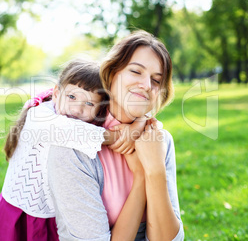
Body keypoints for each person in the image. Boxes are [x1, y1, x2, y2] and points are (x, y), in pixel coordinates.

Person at [0, 59, 145, 241]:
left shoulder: (88, 121)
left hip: (57, 212)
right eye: (72, 97)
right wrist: (118, 137)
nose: (77, 108)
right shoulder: (39, 116)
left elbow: (127, 111)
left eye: (90, 104)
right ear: (56, 93)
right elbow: (68, 131)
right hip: (25, 209)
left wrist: (140, 122)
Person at [47, 30, 184, 241]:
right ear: (111, 74)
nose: (147, 85)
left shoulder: (159, 140)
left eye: (156, 81)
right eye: (136, 71)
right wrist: (140, 176)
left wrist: (155, 171)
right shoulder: (73, 146)